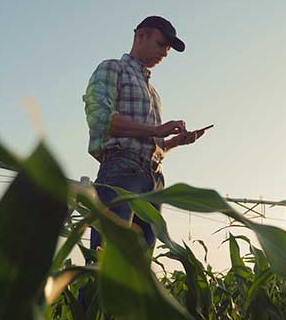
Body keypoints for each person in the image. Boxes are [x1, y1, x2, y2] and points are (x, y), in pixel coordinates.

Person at [83, 16, 207, 251]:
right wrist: (156, 130)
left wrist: (173, 142)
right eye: (161, 45)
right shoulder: (113, 68)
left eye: (168, 49)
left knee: (138, 270)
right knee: (107, 260)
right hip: (122, 172)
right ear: (141, 35)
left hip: (153, 179)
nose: (165, 53)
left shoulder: (153, 92)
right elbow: (100, 119)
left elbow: (147, 142)